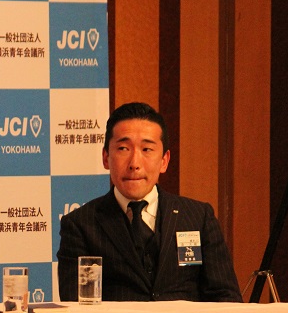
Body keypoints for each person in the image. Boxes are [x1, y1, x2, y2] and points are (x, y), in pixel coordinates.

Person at [57, 102, 242, 302]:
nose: (134, 163)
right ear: (106, 157)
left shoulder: (198, 217)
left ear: (164, 161)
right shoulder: (80, 224)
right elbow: (77, 306)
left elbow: (226, 298)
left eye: (147, 149)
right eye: (123, 148)